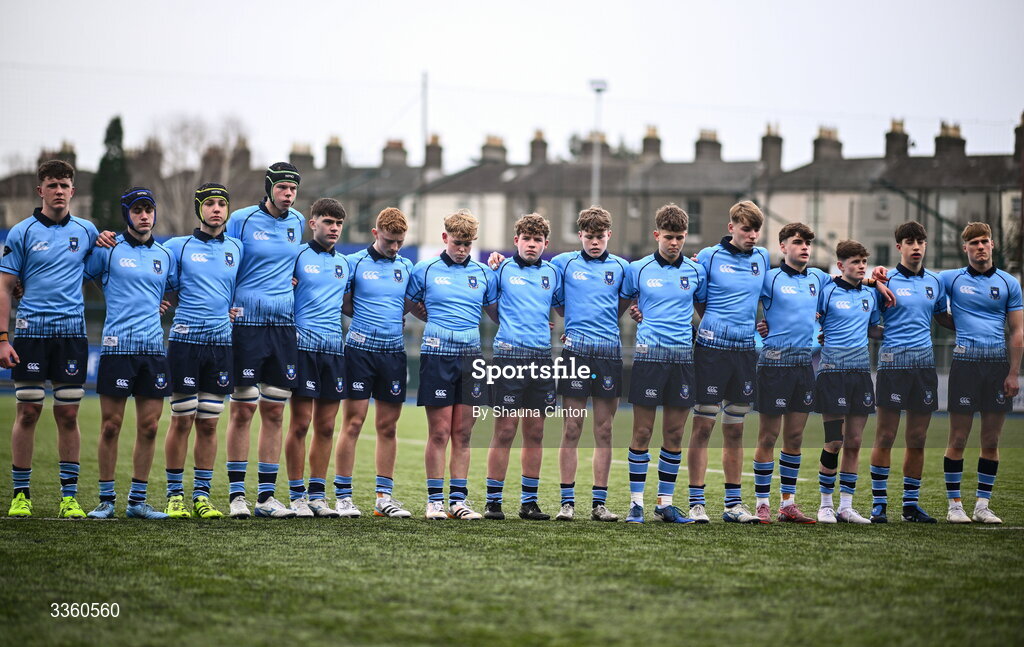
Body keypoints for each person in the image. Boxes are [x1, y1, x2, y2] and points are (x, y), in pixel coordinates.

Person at [2, 160, 98, 518]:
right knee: (27, 411)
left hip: (72, 335)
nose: (59, 191)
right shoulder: (21, 233)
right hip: (31, 334)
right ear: (40, 190)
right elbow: (5, 287)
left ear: (73, 191)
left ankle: (69, 497)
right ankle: (21, 494)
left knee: (69, 414)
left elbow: (112, 274)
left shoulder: (89, 231)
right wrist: (2, 338)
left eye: (65, 185)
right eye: (52, 185)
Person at [84, 188, 174, 519]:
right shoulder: (108, 250)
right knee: (111, 425)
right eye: (137, 210)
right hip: (117, 348)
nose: (144, 215)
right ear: (127, 214)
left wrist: (164, 303)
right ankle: (106, 500)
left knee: (149, 426)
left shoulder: (164, 256)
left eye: (149, 209)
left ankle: (137, 501)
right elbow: (73, 274)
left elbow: (176, 288)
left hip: (153, 350)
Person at [224, 163, 304, 519]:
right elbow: (224, 263)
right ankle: (237, 495)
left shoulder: (297, 222)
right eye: (283, 187)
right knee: (243, 408)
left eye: (293, 189)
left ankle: (266, 498)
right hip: (247, 324)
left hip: (283, 326)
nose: (288, 194)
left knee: (274, 410)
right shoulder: (241, 219)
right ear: (269, 187)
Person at [406, 210, 496, 520]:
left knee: (464, 433)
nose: (462, 250)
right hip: (437, 356)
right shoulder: (425, 270)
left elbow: (498, 312)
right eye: (458, 243)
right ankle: (434, 502)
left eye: (468, 245)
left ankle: (458, 501)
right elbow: (407, 304)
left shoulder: (484, 273)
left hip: (471, 359)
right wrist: (428, 318)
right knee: (440, 432)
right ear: (445, 238)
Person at [618, 204, 704, 524]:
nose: (674, 243)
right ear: (656, 235)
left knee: (673, 434)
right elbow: (622, 306)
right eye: (668, 237)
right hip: (649, 359)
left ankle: (665, 503)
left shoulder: (696, 271)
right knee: (642, 431)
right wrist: (636, 313)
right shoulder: (637, 269)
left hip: (683, 360)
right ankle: (636, 504)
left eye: (680, 237)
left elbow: (708, 312)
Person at [161, 184, 242, 519]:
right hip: (185, 342)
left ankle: (202, 496)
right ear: (199, 209)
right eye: (209, 203)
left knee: (209, 424)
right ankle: (174, 495)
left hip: (221, 344)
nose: (217, 209)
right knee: (183, 420)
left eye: (222, 203)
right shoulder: (176, 247)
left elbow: (252, 281)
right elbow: (153, 280)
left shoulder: (236, 248)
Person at [544, 207, 629, 522]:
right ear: (580, 235)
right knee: (572, 427)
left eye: (600, 236)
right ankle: (567, 502)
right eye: (589, 236)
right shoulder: (563, 264)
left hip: (608, 355)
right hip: (575, 355)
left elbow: (623, 302)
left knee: (604, 430)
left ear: (610, 235)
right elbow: (550, 294)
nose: (595, 242)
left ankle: (599, 504)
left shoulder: (622, 267)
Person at [688, 201, 770, 524]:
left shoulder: (762, 258)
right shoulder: (709, 257)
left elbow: (770, 297)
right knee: (703, 426)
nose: (752, 235)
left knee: (735, 430)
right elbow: (699, 298)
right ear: (731, 227)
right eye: (746, 229)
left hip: (745, 352)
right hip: (711, 351)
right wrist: (713, 327)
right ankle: (697, 502)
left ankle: (733, 504)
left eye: (756, 230)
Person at [334, 208, 415, 518]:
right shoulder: (354, 263)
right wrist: (369, 321)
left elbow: (411, 302)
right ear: (375, 233)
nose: (395, 247)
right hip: (359, 352)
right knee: (353, 423)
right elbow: (344, 302)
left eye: (400, 242)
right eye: (390, 240)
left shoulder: (406, 266)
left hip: (393, 353)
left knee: (388, 427)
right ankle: (343, 497)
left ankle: (384, 498)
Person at [938, 222, 1022, 524]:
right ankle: (955, 505)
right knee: (958, 438)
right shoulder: (951, 279)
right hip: (965, 365)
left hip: (998, 367)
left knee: (990, 441)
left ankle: (982, 506)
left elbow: (1017, 331)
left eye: (984, 241)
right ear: (965, 248)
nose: (980, 247)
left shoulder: (1009, 283)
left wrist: (1014, 374)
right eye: (973, 243)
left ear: (992, 245)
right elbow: (925, 291)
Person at [865, 222, 946, 523]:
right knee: (885, 435)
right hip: (892, 367)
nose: (916, 247)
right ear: (899, 246)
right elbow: (870, 325)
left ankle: (910, 506)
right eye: (909, 241)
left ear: (926, 245)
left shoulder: (936, 283)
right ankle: (880, 504)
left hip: (924, 368)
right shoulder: (884, 281)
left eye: (920, 241)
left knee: (917, 438)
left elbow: (942, 316)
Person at [484, 213, 561, 521]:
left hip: (542, 359)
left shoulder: (553, 273)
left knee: (537, 431)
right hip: (509, 358)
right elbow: (490, 307)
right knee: (504, 430)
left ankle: (529, 502)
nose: (532, 245)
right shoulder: (499, 269)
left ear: (546, 244)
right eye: (526, 239)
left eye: (538, 240)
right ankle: (493, 501)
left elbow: (563, 307)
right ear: (516, 241)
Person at [751, 222, 828, 524]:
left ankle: (788, 504)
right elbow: (738, 300)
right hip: (773, 366)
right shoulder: (768, 279)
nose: (805, 247)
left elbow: (847, 288)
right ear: (783, 247)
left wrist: (879, 279)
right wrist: (757, 325)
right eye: (798, 242)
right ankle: (761, 503)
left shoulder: (819, 279)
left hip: (803, 367)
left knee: (794, 437)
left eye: (808, 242)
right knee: (768, 436)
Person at [283, 198, 350, 518]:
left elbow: (354, 302)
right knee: (301, 423)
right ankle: (296, 496)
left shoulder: (346, 264)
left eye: (338, 223)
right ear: (313, 224)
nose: (333, 228)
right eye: (327, 222)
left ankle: (316, 495)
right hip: (302, 349)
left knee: (325, 427)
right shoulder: (296, 255)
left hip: (334, 350)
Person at [815, 240, 883, 524]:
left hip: (860, 375)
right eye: (854, 262)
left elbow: (875, 329)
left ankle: (846, 506)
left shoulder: (870, 295)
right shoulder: (826, 291)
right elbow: (809, 319)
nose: (860, 266)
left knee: (854, 442)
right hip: (832, 374)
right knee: (834, 441)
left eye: (863, 262)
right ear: (841, 265)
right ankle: (825, 505)